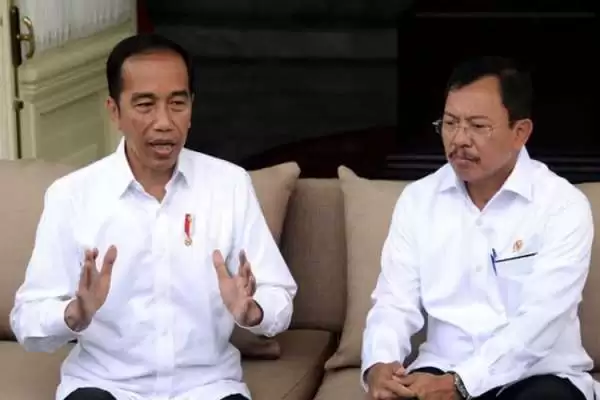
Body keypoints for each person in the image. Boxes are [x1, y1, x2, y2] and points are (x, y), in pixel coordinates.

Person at [9, 33, 297, 400]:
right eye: (145, 105)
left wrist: (251, 311)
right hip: (105, 386)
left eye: (177, 103)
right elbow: (27, 319)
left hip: (206, 388)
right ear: (114, 111)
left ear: (192, 107)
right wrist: (74, 314)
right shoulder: (72, 196)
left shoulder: (229, 185)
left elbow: (278, 294)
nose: (164, 122)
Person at [361, 56, 598, 400]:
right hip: (442, 365)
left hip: (537, 374)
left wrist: (462, 383)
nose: (459, 139)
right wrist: (379, 362)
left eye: (477, 126)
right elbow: (394, 302)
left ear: (520, 132)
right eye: (450, 123)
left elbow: (541, 320)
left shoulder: (562, 205)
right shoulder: (418, 200)